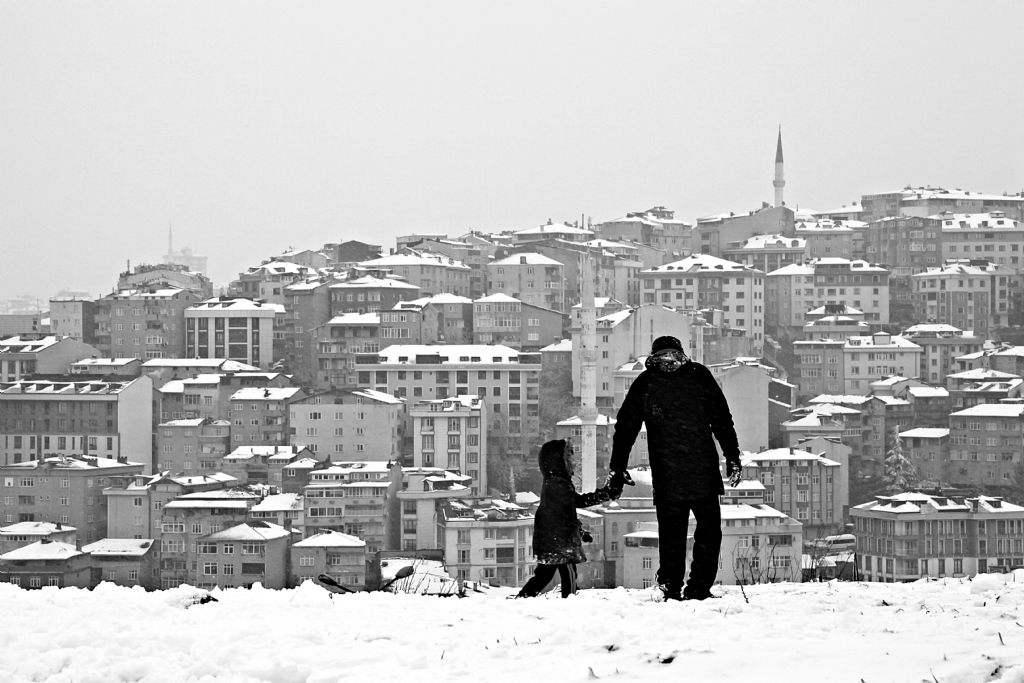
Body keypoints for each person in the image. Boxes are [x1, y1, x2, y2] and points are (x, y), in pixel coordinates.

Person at [606, 335, 741, 601]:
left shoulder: (646, 383)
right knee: (709, 531)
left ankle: (671, 586)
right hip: (700, 467)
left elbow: (625, 428)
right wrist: (732, 456)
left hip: (668, 471)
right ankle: (698, 587)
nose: (669, 363)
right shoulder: (698, 375)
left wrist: (618, 466)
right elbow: (722, 420)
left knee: (671, 534)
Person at [515, 438, 617, 598]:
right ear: (559, 461)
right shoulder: (558, 483)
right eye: (568, 458)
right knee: (568, 571)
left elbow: (565, 513)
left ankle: (523, 598)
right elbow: (577, 502)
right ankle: (569, 601)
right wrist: (606, 493)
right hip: (558, 539)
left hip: (550, 537)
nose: (572, 463)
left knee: (544, 575)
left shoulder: (554, 482)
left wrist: (581, 532)